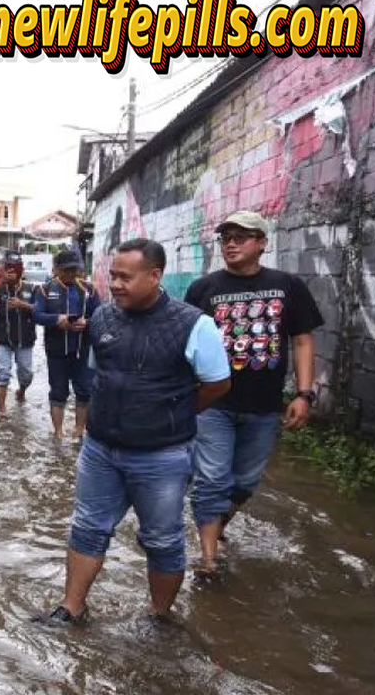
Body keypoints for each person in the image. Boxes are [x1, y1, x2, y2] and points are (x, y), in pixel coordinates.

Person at [37, 239, 231, 626]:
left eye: (126, 277)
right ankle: (71, 608)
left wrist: (172, 413)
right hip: (100, 449)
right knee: (87, 527)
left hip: (162, 457)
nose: (116, 285)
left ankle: (158, 616)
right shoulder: (103, 319)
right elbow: (99, 374)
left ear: (155, 276)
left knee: (162, 540)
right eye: (113, 277)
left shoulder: (195, 325)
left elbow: (218, 384)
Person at [183, 211, 323, 577]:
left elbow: (304, 340)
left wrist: (304, 394)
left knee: (244, 481)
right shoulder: (203, 289)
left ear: (262, 242)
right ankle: (209, 557)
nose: (230, 243)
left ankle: (216, 526)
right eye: (225, 237)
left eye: (240, 236)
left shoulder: (287, 285)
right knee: (212, 478)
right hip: (213, 403)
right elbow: (185, 344)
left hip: (263, 406)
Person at [32, 250, 99, 440]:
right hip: (56, 350)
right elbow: (37, 315)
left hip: (82, 349)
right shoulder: (44, 289)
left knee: (85, 390)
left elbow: (101, 315)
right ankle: (58, 433)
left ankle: (79, 430)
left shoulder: (89, 289)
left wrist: (87, 322)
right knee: (58, 391)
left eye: (74, 270)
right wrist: (57, 319)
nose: (71, 274)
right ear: (57, 270)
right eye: (67, 270)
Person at [0, 252, 37, 418]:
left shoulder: (32, 288)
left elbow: (41, 310)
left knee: (26, 373)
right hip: (2, 338)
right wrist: (2, 281)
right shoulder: (0, 287)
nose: (12, 271)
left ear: (21, 270)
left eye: (15, 268)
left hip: (25, 339)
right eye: (9, 268)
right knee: (2, 372)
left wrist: (23, 305)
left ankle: (21, 390)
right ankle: (2, 409)